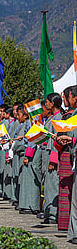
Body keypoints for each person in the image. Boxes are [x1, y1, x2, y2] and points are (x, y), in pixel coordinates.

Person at [55, 86, 77, 231]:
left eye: (67, 97)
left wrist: (71, 140)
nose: (66, 100)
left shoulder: (69, 116)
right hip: (67, 153)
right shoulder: (68, 115)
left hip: (69, 155)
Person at [39, 94, 62, 224]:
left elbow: (56, 140)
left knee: (52, 185)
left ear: (52, 103)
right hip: (46, 153)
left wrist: (53, 160)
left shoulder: (58, 118)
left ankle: (53, 214)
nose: (46, 104)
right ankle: (48, 212)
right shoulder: (52, 117)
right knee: (48, 184)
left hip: (52, 154)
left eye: (47, 102)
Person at [16, 102, 42, 214]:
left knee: (31, 179)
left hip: (33, 152)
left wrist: (28, 155)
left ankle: (32, 205)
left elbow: (33, 139)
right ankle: (26, 204)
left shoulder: (35, 121)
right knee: (27, 178)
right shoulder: (32, 120)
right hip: (30, 151)